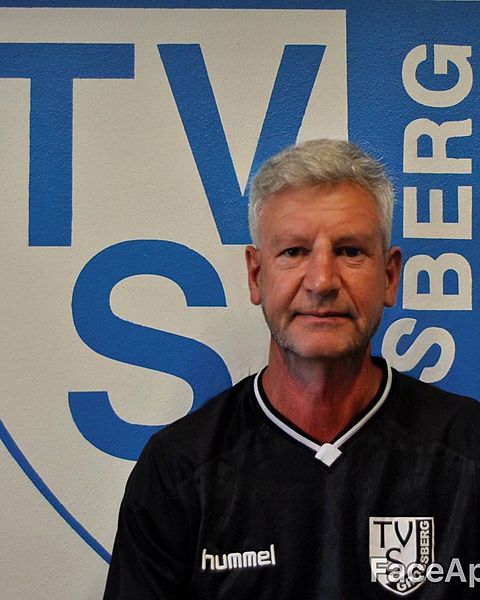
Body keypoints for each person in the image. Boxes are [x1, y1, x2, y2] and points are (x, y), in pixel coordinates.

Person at [103, 139, 480, 599]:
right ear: (256, 275)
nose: (321, 282)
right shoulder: (178, 469)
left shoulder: (469, 448)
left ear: (389, 276)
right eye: (294, 251)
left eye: (350, 251)